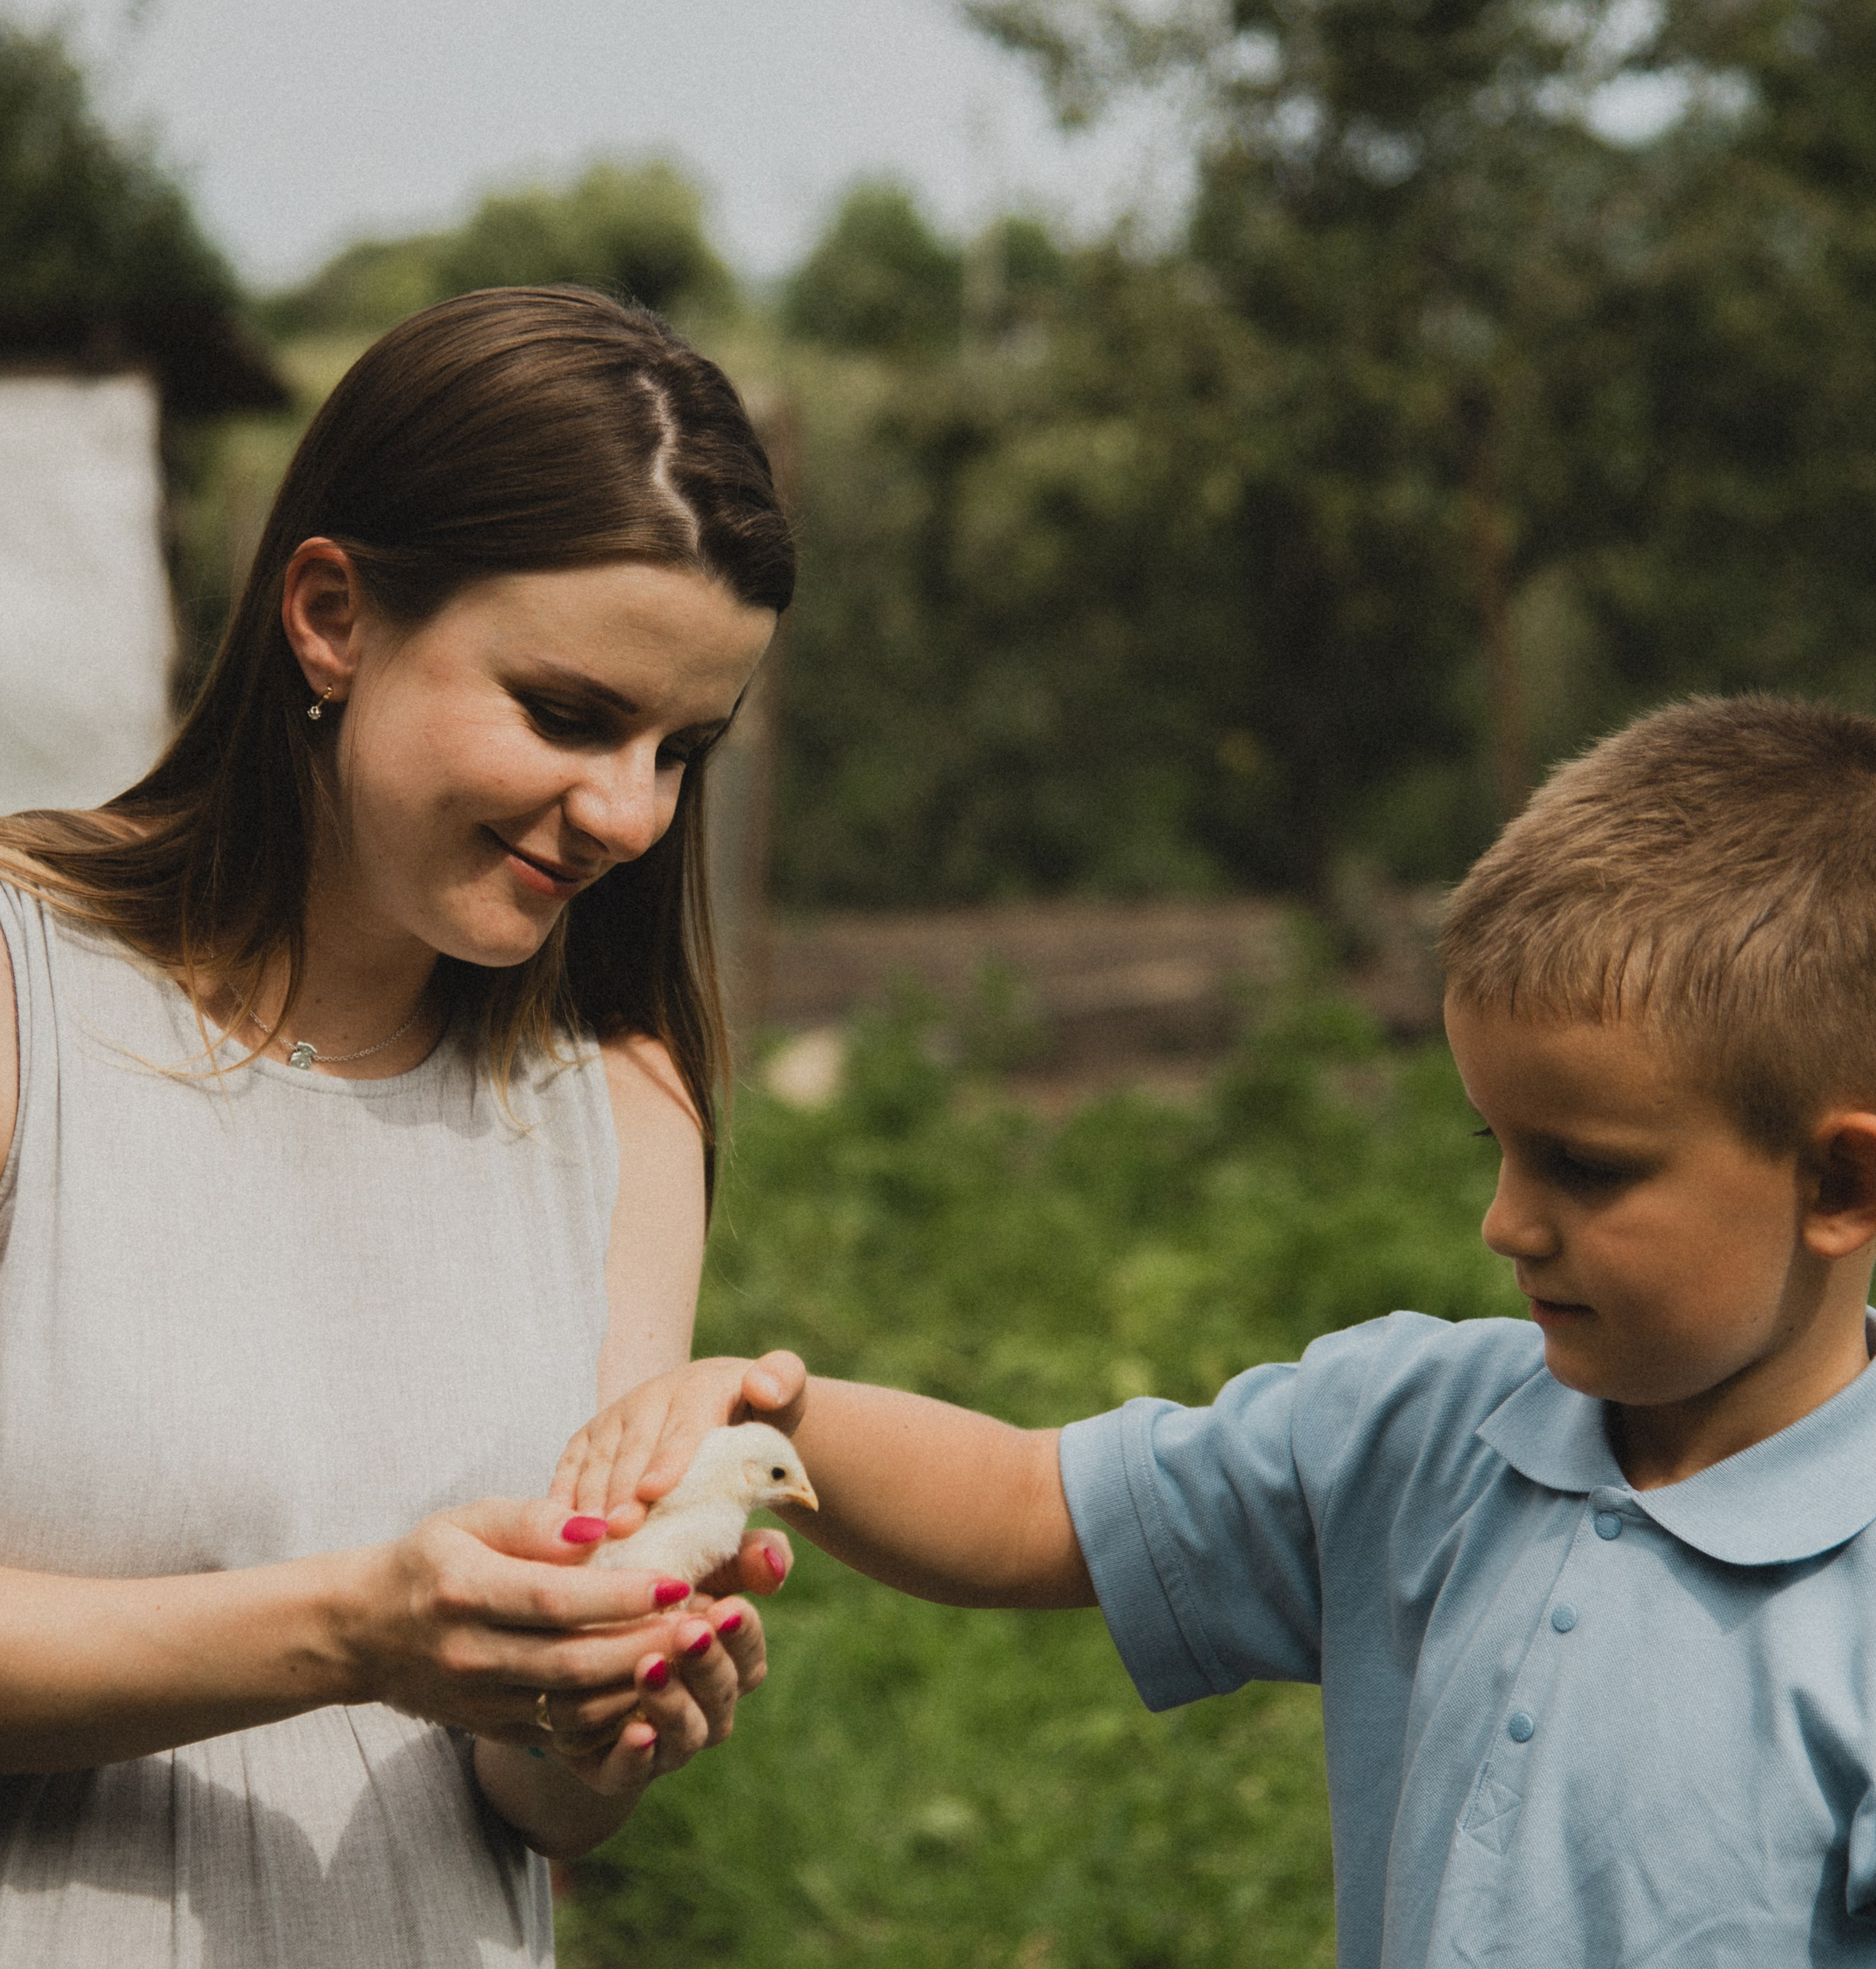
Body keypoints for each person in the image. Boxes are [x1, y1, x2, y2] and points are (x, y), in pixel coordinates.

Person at [565, 695, 1876, 1966]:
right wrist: (764, 1417)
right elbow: (1029, 1500)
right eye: (1497, 1146)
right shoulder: (1414, 1434)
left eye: (1584, 1167)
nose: (1506, 1221)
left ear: (1841, 1186)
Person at [0, 285, 796, 1967]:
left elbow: (522, 1804)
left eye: (683, 748)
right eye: (567, 712)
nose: (628, 811)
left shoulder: (620, 1110)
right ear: (330, 614)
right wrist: (357, 1628)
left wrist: (592, 1716)